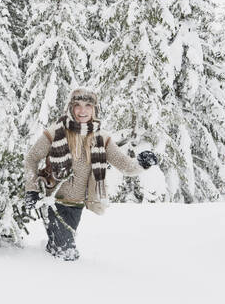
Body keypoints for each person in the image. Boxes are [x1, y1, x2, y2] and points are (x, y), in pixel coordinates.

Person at [24, 88, 158, 261]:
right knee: (66, 253)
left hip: (77, 205)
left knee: (59, 250)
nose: (82, 110)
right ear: (70, 108)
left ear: (94, 109)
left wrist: (141, 163)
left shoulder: (101, 138)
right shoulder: (56, 132)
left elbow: (125, 165)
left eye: (88, 105)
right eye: (77, 105)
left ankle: (51, 273)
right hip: (53, 202)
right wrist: (31, 190)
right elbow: (31, 158)